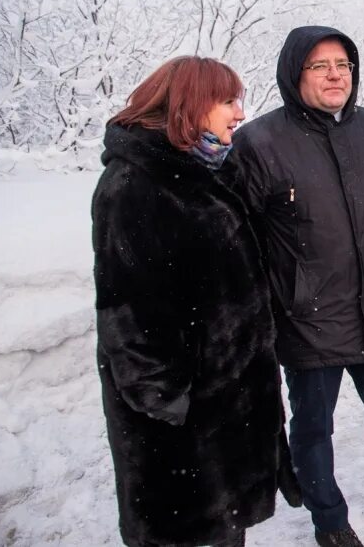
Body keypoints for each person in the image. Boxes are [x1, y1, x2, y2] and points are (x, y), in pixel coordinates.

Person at [231, 26, 364, 547]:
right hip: (310, 316)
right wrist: (292, 287)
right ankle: (328, 520)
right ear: (293, 73)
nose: (335, 75)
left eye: (344, 65)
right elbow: (241, 235)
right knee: (313, 427)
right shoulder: (259, 141)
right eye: (320, 65)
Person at [92, 56, 300, 547]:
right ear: (189, 105)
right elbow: (130, 317)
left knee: (225, 534)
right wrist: (171, 407)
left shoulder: (202, 174)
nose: (239, 112)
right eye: (227, 100)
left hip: (223, 416)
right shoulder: (135, 186)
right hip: (184, 437)